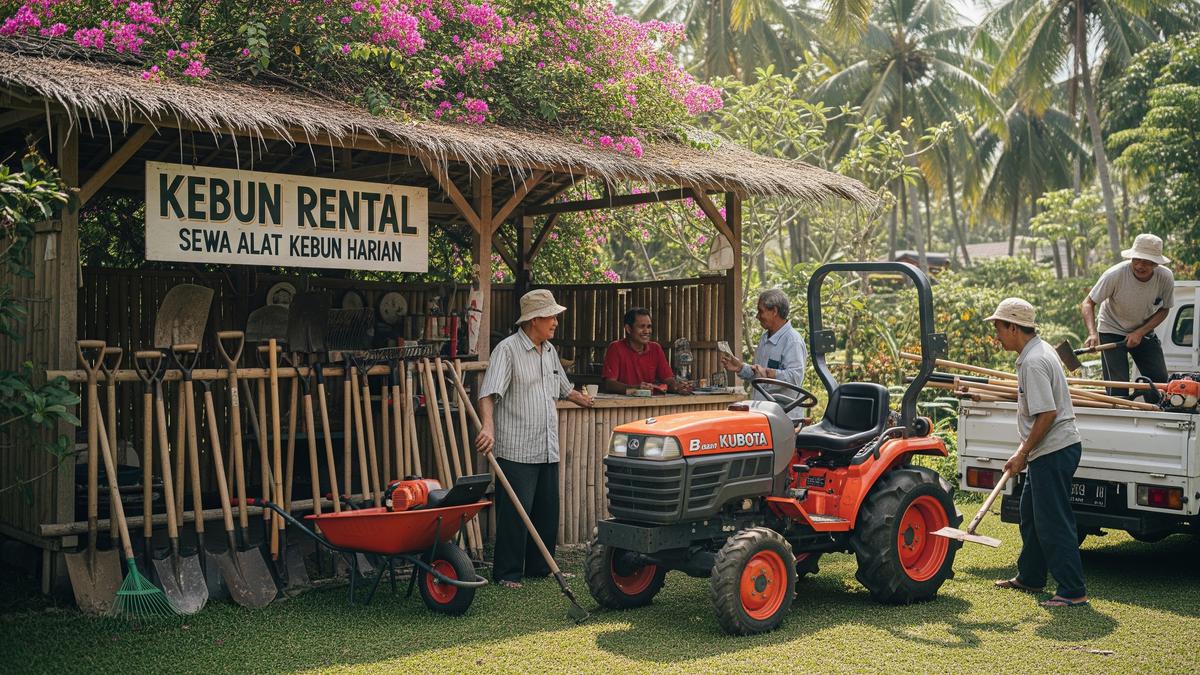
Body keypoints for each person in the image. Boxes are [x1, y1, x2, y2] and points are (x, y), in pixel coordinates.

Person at [475, 289, 594, 589]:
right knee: (515, 515)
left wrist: (581, 398)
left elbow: (563, 387)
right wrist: (488, 427)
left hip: (546, 446)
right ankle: (507, 573)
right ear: (533, 320)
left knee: (546, 512)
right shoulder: (507, 350)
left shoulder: (550, 351)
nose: (555, 322)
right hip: (517, 448)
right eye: (550, 316)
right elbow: (488, 393)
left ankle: (540, 568)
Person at [985, 298, 1088, 608]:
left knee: (1052, 521)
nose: (996, 336)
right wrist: (1024, 451)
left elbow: (1047, 414)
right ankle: (1030, 576)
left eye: (998, 328)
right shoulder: (1037, 352)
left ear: (1013, 327)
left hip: (1054, 450)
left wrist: (1023, 452)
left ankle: (1072, 591)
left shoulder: (1034, 361)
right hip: (1048, 449)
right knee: (1030, 514)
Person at [1081, 233, 1174, 396]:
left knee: (1159, 384)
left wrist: (1140, 332)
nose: (1140, 266)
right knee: (1118, 388)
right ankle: (1120, 408)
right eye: (1136, 260)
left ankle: (1153, 409)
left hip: (1143, 330)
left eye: (1146, 262)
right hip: (1111, 329)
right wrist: (1092, 333)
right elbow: (1088, 303)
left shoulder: (1165, 277)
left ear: (1156, 263)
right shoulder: (1115, 274)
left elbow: (1164, 309)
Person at [719, 288, 808, 422]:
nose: (757, 316)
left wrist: (769, 373)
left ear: (774, 311)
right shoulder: (764, 339)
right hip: (763, 414)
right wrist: (740, 368)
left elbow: (795, 378)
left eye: (761, 311)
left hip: (784, 418)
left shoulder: (792, 341)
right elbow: (758, 376)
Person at [600, 307, 693, 395]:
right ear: (628, 329)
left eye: (649, 327)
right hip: (622, 404)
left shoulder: (655, 348)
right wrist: (635, 389)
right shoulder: (615, 347)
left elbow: (667, 379)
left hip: (650, 403)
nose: (647, 331)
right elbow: (609, 384)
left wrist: (678, 387)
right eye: (642, 327)